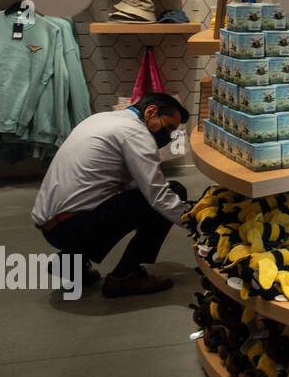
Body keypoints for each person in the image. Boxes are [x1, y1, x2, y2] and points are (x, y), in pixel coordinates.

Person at [32, 93, 191, 298]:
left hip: (50, 226)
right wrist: (194, 221)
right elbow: (158, 195)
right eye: (168, 127)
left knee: (127, 199)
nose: (168, 136)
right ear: (151, 111)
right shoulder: (136, 133)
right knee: (174, 192)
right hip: (72, 228)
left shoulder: (101, 119)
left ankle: (72, 263)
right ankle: (125, 277)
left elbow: (130, 185)